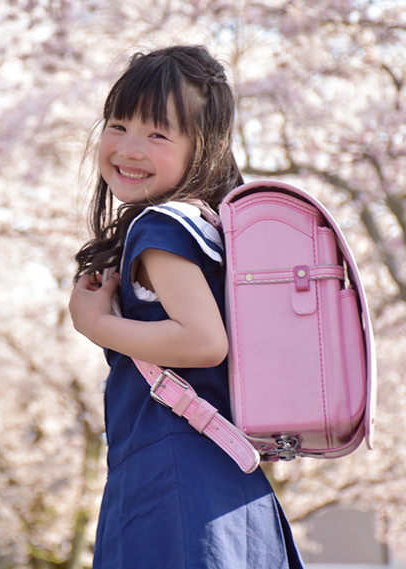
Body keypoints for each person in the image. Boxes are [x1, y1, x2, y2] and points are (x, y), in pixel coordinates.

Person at [68, 45, 305, 569]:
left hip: (173, 480)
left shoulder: (160, 228)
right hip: (223, 477)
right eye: (117, 124)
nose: (129, 148)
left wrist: (96, 323)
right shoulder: (215, 229)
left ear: (203, 148)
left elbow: (202, 341)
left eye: (157, 134)